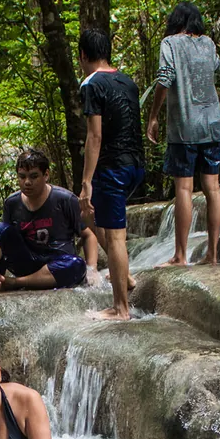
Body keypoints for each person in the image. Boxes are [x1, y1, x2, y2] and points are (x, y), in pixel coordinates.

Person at [0, 148, 98, 299]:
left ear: (46, 175)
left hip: (58, 263)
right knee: (0, 228)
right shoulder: (12, 203)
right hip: (27, 261)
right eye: (22, 177)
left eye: (33, 176)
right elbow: (3, 242)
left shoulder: (65, 199)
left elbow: (88, 235)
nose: (27, 182)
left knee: (77, 265)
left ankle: (16, 282)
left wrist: (92, 269)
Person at [146, 1, 220, 266]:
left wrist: (154, 115)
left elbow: (165, 78)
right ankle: (212, 254)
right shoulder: (209, 44)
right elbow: (216, 67)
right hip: (213, 123)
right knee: (212, 188)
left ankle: (180, 255)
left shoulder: (170, 44)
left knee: (184, 188)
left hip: (185, 127)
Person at [77, 28, 145, 320]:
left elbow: (95, 136)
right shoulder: (127, 81)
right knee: (88, 216)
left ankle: (121, 308)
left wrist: (86, 181)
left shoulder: (91, 84)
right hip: (136, 165)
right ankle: (124, 277)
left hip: (112, 168)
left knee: (116, 237)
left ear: (83, 55)